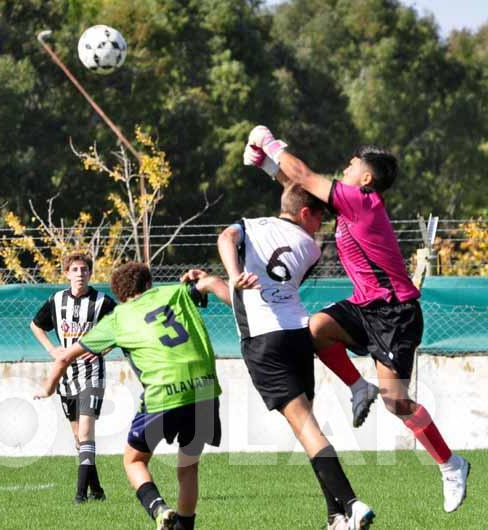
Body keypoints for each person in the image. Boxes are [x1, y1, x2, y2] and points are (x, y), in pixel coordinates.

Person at [244, 125, 470, 513]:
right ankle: (357, 387)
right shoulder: (350, 202)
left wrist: (271, 143)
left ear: (365, 178)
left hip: (395, 314)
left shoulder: (362, 203)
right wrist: (267, 167)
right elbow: (301, 191)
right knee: (315, 328)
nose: (344, 169)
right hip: (365, 305)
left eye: (351, 166)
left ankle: (451, 465)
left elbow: (302, 176)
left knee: (397, 403)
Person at [217, 185, 375, 530]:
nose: (321, 225)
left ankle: (352, 504)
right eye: (320, 216)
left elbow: (225, 238)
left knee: (308, 430)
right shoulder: (310, 249)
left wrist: (230, 275)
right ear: (305, 213)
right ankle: (334, 516)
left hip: (264, 340)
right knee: (309, 430)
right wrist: (216, 283)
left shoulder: (251, 225)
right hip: (298, 334)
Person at [35, 262, 230, 530]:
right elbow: (208, 284)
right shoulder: (173, 292)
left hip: (164, 393)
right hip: (206, 391)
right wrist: (236, 301)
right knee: (188, 467)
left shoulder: (118, 317)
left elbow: (65, 358)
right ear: (148, 284)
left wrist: (46, 388)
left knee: (133, 460)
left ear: (119, 294)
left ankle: (158, 508)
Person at [30, 252, 116, 503]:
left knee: (87, 432)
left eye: (84, 269)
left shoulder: (103, 302)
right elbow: (35, 325)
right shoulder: (56, 301)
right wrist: (51, 349)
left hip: (92, 374)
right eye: (75, 269)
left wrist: (102, 349)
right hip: (66, 375)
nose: (80, 274)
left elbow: (121, 329)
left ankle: (80, 495)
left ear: (90, 273)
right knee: (79, 438)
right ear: (67, 273)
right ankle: (97, 491)